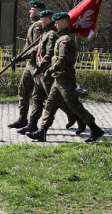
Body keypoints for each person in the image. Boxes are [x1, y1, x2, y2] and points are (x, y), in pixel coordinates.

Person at [27, 12, 103, 143]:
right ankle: (42, 131)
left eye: (57, 23)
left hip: (65, 80)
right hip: (59, 79)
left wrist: (50, 70)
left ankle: (95, 129)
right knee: (50, 105)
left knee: (75, 106)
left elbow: (62, 61)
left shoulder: (65, 40)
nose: (55, 25)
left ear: (63, 23)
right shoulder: (61, 38)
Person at [18, 10, 83, 136]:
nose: (40, 21)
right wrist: (21, 58)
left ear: (48, 19)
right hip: (41, 72)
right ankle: (32, 124)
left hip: (47, 73)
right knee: (37, 98)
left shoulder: (52, 35)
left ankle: (77, 118)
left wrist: (41, 67)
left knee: (57, 101)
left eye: (42, 19)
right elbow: (36, 50)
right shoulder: (46, 33)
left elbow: (48, 55)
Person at [8, 1, 47, 129]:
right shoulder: (34, 24)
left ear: (39, 10)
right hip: (30, 65)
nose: (30, 12)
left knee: (40, 95)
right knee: (23, 90)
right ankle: (23, 118)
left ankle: (74, 115)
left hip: (37, 65)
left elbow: (37, 47)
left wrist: (21, 57)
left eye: (32, 9)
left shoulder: (39, 26)